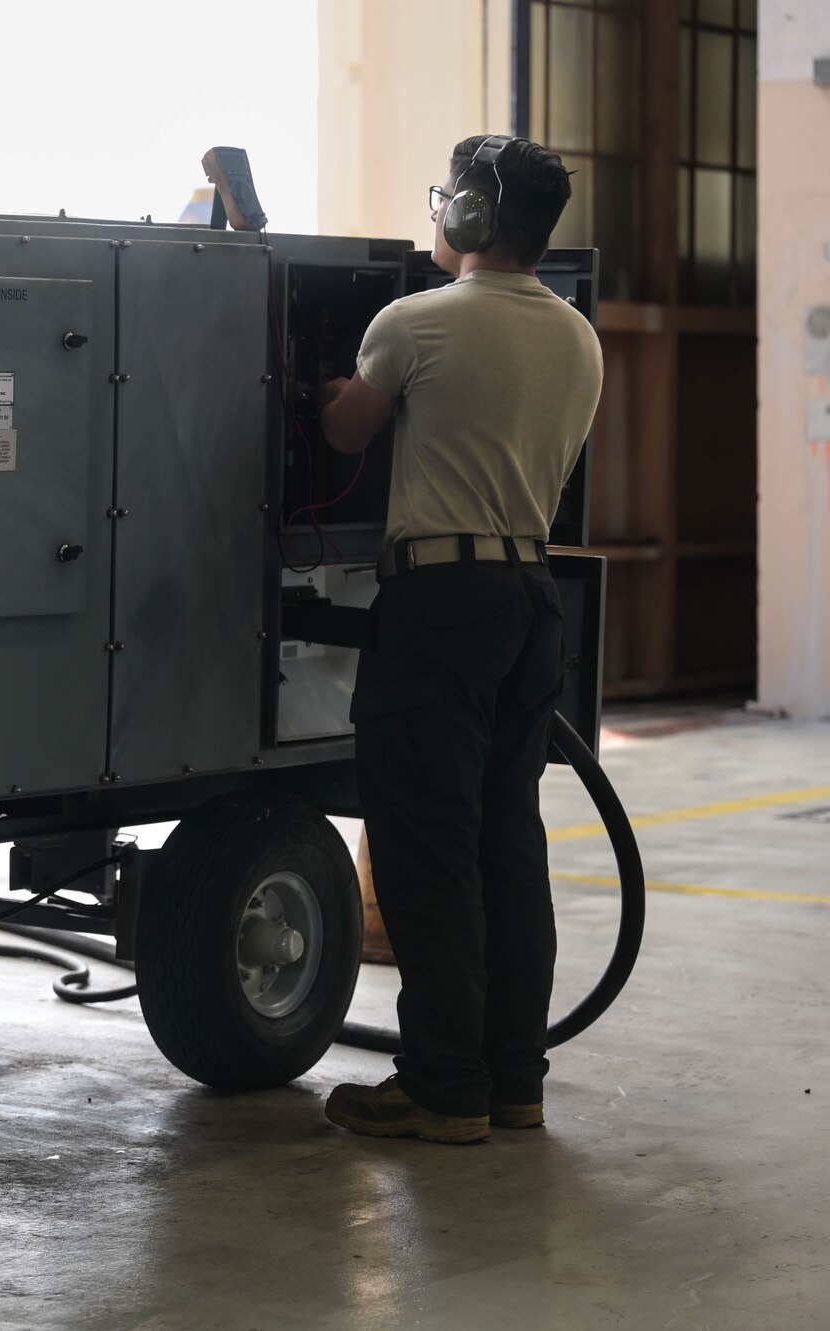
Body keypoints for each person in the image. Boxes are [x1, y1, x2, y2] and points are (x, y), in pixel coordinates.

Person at [312, 135, 604, 1144]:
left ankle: (441, 1086)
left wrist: (322, 390)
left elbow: (346, 432)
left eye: (447, 199)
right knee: (502, 844)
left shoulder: (413, 322)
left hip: (439, 603)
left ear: (472, 216)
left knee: (426, 850)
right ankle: (510, 1081)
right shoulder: (575, 335)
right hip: (528, 595)